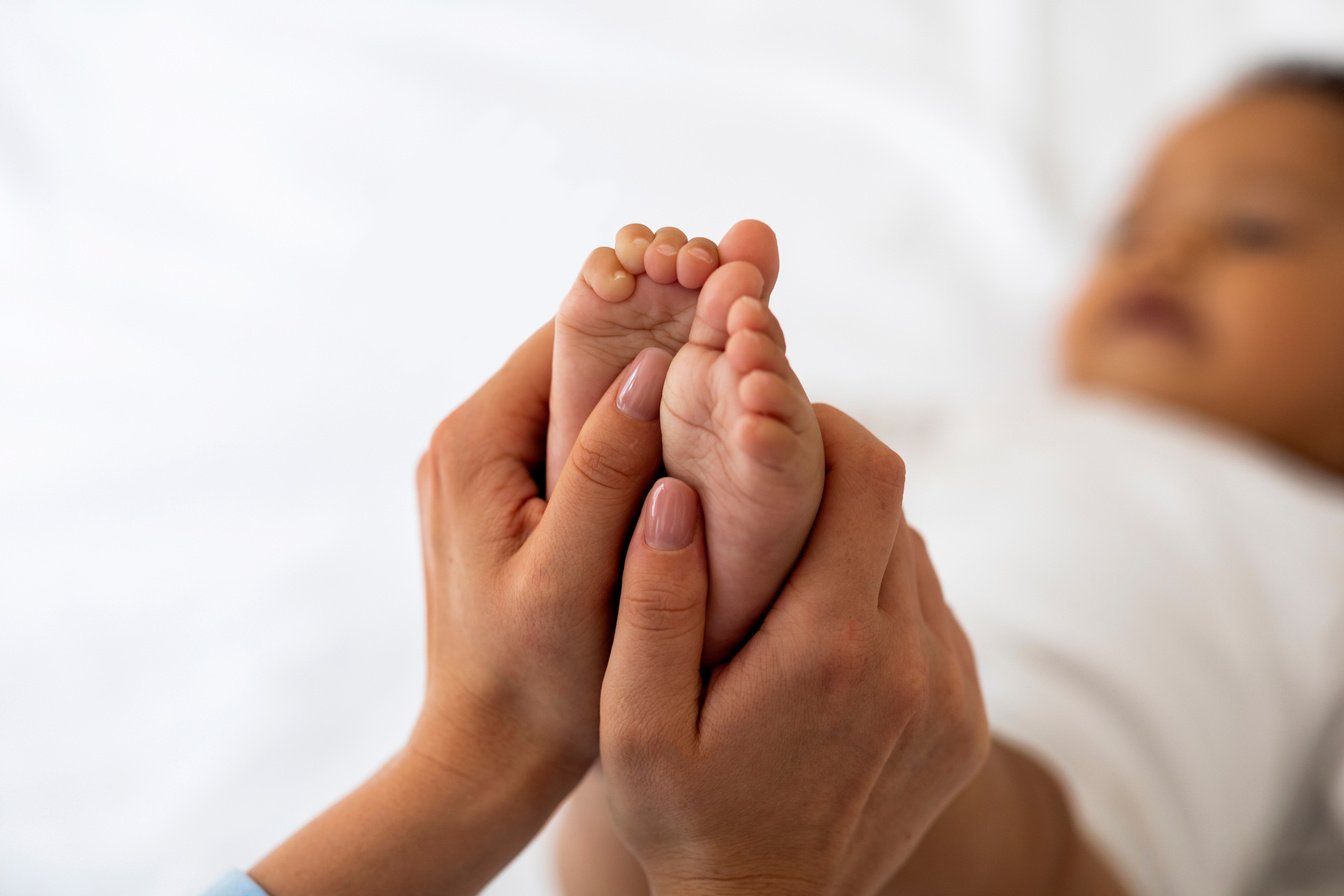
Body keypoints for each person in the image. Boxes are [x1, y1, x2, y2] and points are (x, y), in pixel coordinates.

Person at [559, 61, 1344, 895]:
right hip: (836, 676)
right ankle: (671, 632)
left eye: (1257, 229)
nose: (1166, 251)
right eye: (1128, 229)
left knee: (944, 779)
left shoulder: (1320, 531)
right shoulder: (989, 427)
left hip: (1054, 828)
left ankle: (702, 634)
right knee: (642, 775)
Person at [202, 313, 991, 895]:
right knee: (1021, 833)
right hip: (1024, 668)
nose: (1123, 270)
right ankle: (709, 646)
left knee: (629, 811)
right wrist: (749, 874)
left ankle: (675, 660)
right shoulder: (1028, 420)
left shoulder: (1036, 428)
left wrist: (492, 741)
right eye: (1120, 233)